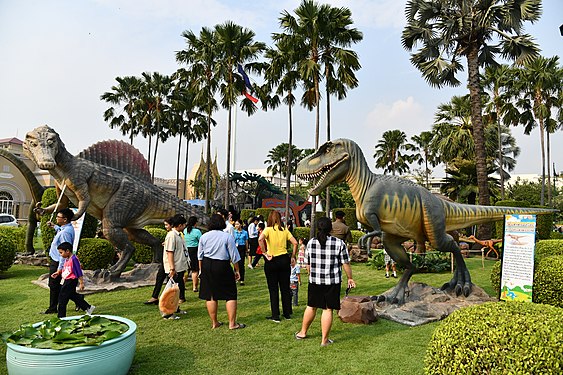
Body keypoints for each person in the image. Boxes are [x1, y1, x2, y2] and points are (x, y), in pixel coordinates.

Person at [295, 217, 355, 347]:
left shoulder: (310, 243)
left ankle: (302, 332)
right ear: (331, 228)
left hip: (315, 281)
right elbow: (345, 263)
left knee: (311, 306)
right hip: (332, 282)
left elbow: (307, 264)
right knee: (328, 309)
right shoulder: (339, 243)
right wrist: (350, 278)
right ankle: (324, 340)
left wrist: (312, 274)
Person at [198, 213, 245, 330]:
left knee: (211, 295)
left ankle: (214, 322)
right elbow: (234, 256)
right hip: (222, 264)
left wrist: (201, 270)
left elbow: (200, 256)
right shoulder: (227, 237)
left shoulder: (204, 236)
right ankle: (232, 324)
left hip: (207, 264)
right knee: (230, 294)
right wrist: (237, 270)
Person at [258, 210, 298, 322]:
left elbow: (260, 239)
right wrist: (293, 256)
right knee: (285, 288)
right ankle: (287, 313)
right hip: (284, 259)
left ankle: (275, 315)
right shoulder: (284, 230)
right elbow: (295, 243)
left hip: (272, 260)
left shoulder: (268, 229)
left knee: (273, 289)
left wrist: (265, 252)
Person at [43, 208, 75, 314]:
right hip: (56, 260)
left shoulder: (65, 233)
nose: (57, 218)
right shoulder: (65, 228)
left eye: (58, 217)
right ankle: (78, 300)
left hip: (58, 262)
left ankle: (53, 307)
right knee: (57, 285)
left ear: (65, 219)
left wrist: (59, 268)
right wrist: (54, 226)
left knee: (54, 284)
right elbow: (60, 231)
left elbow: (65, 252)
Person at [52, 242, 95, 318]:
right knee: (72, 295)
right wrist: (58, 273)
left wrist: (81, 283)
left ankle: (61, 317)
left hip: (71, 281)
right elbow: (68, 270)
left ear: (67, 251)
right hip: (67, 280)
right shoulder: (67, 259)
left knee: (62, 298)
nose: (60, 255)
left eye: (61, 252)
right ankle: (88, 307)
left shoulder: (74, 259)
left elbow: (78, 271)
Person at [145, 217, 172, 305]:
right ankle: (155, 297)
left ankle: (170, 299)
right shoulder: (170, 234)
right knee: (160, 278)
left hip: (171, 263)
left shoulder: (175, 235)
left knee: (171, 282)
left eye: (166, 225)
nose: (165, 227)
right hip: (165, 262)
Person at [184, 216, 202, 293]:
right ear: (195, 223)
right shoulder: (197, 231)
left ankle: (183, 285)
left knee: (186, 270)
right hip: (194, 251)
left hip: (186, 251)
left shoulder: (185, 230)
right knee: (195, 270)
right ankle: (195, 287)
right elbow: (201, 241)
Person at [233, 220, 249, 285]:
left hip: (242, 248)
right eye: (235, 224)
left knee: (241, 264)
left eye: (238, 224)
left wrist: (247, 249)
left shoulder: (245, 232)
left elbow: (246, 241)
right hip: (235, 248)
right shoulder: (233, 232)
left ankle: (242, 279)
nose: (236, 225)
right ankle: (236, 278)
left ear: (241, 225)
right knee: (235, 263)